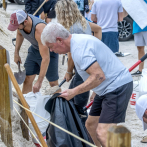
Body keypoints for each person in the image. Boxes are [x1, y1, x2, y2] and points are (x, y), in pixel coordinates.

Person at [41, 22, 133, 147]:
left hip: (116, 86)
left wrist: (73, 91)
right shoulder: (75, 42)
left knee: (103, 133)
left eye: (51, 46)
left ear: (59, 40)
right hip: (105, 88)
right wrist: (96, 90)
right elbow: (100, 70)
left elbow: (98, 76)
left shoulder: (79, 48)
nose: (51, 50)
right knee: (90, 126)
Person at [55, 0, 102, 126]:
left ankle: (81, 130)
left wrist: (69, 71)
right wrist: (96, 47)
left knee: (78, 101)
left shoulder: (71, 28)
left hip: (83, 66)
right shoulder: (82, 22)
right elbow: (98, 29)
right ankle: (77, 126)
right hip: (86, 62)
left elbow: (71, 54)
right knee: (73, 97)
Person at [7, 10, 59, 94]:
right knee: (27, 78)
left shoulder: (39, 29)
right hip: (35, 49)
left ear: (25, 22)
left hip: (49, 52)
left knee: (53, 84)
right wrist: (16, 53)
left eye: (17, 26)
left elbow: (45, 58)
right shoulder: (20, 23)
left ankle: (60, 104)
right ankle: (26, 105)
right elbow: (20, 34)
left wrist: (39, 82)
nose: (16, 28)